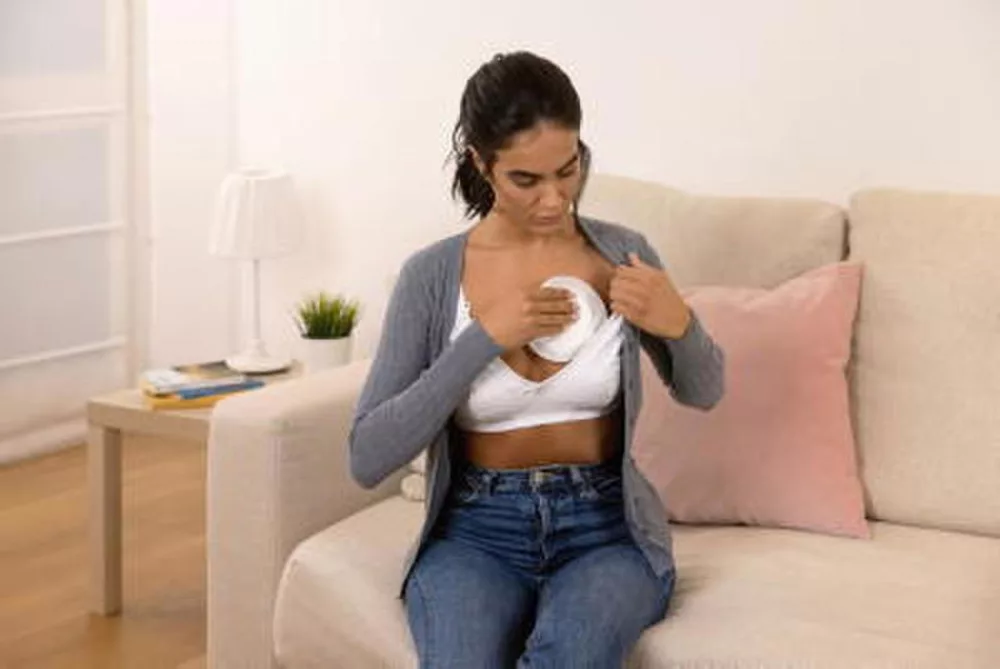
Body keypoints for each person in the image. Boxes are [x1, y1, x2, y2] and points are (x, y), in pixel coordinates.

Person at [349, 51, 724, 669]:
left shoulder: (623, 253)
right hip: (475, 534)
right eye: (526, 180)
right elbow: (367, 456)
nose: (554, 200)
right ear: (481, 163)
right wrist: (482, 339)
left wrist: (677, 322)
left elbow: (705, 390)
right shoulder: (431, 276)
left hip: (605, 531)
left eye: (568, 170)